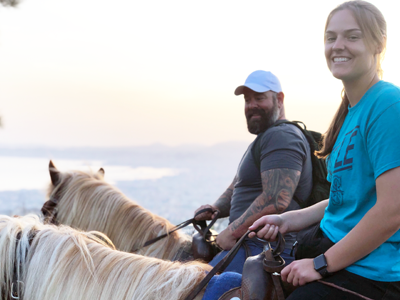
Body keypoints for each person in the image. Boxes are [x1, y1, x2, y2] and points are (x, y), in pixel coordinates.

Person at [249, 1, 400, 299]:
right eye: (331, 38)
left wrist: (320, 265)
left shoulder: (387, 105)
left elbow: (392, 210)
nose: (338, 46)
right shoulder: (350, 113)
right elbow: (345, 200)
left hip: (372, 273)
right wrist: (286, 220)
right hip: (333, 249)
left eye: (352, 36)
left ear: (379, 43)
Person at [194, 70, 313, 274]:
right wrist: (216, 209)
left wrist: (231, 232)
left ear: (279, 99)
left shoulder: (282, 137)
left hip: (264, 251)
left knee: (196, 291)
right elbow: (238, 185)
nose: (251, 105)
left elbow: (276, 198)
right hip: (249, 247)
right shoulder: (266, 138)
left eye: (259, 98)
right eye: (247, 100)